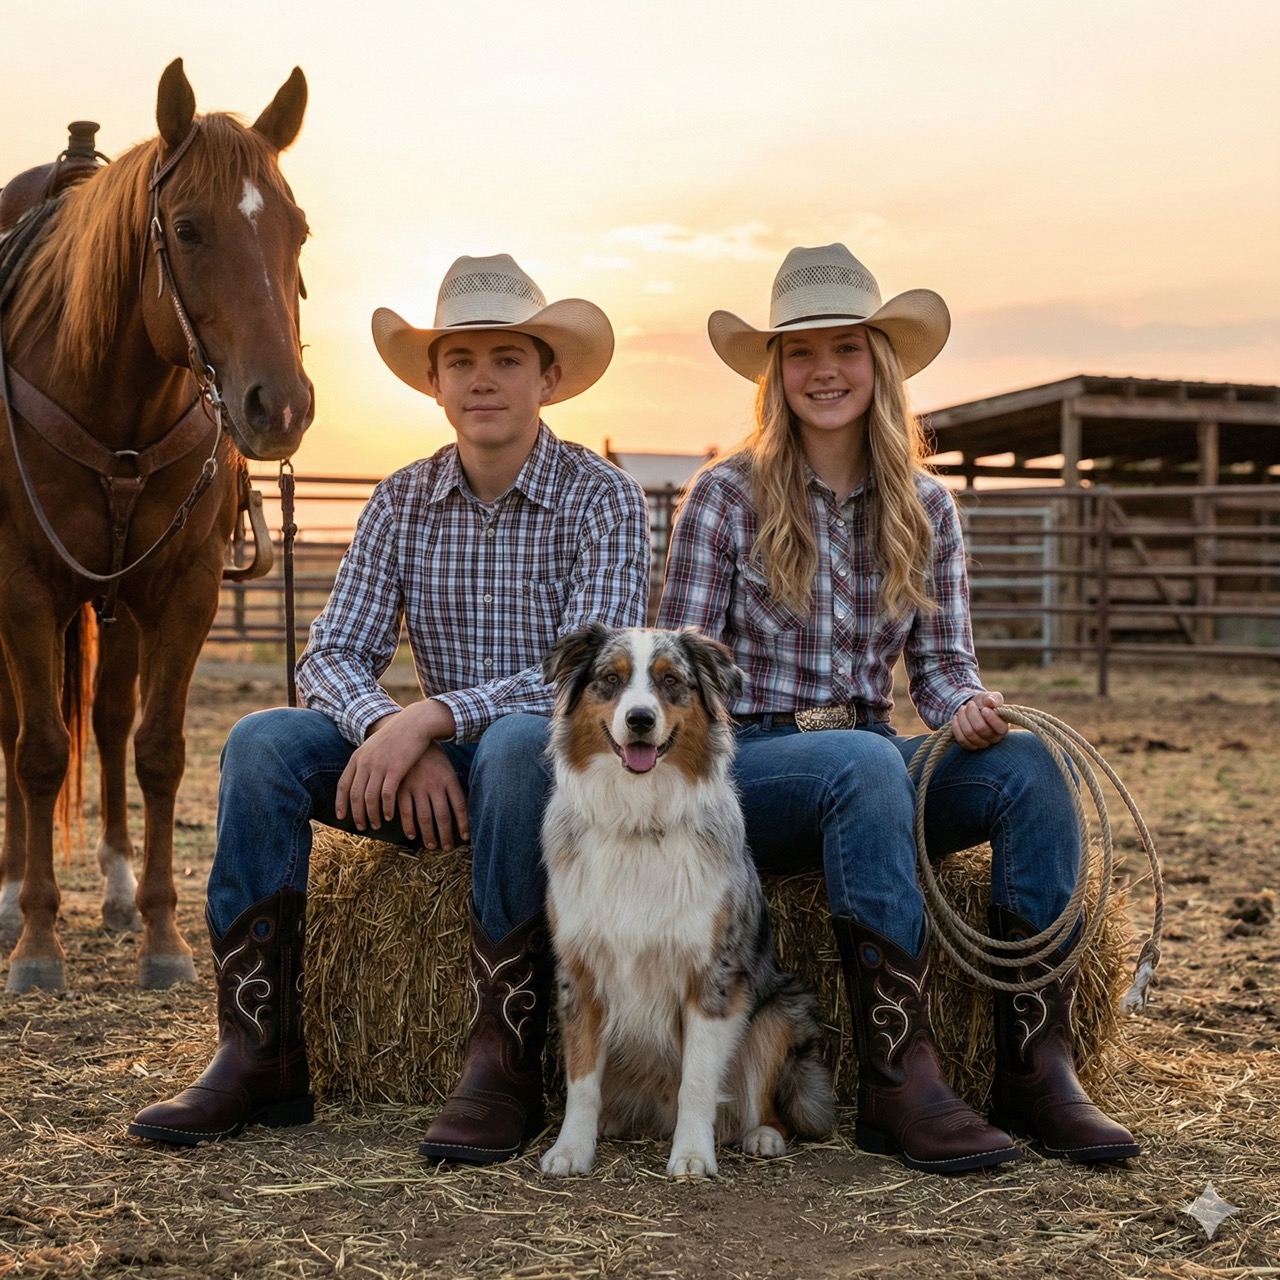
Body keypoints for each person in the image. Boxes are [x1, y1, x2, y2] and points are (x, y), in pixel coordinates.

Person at [129, 253, 652, 1164]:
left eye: (507, 358)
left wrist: (431, 718)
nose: (482, 378)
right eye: (459, 360)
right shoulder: (402, 500)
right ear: (434, 384)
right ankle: (259, 1049)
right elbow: (331, 654)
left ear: (549, 376)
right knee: (261, 743)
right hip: (430, 767)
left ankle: (505, 1057)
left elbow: (590, 681)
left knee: (517, 740)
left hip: (553, 779)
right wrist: (386, 728)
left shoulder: (601, 498)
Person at [657, 243, 1139, 1173]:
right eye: (801, 352)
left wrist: (969, 707)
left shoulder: (926, 506)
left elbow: (943, 668)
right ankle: (899, 1075)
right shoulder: (726, 497)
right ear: (776, 372)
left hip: (874, 760)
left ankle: (1037, 1069)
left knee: (1029, 768)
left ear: (880, 361)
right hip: (753, 771)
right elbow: (684, 680)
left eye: (846, 347)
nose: (824, 369)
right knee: (862, 762)